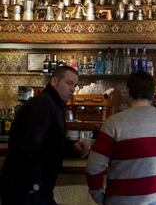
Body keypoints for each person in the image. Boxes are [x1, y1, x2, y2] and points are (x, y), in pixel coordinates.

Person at [0, 65, 90, 205]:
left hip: (33, 188)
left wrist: (74, 146)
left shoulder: (53, 104)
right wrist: (37, 184)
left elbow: (50, 143)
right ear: (54, 81)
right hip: (26, 189)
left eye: (75, 85)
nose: (72, 89)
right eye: (69, 83)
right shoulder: (41, 104)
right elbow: (29, 147)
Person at [86, 71, 156, 205]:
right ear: (153, 94)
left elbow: (93, 167)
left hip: (119, 200)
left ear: (128, 92)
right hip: (153, 201)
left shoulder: (114, 122)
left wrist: (98, 196)